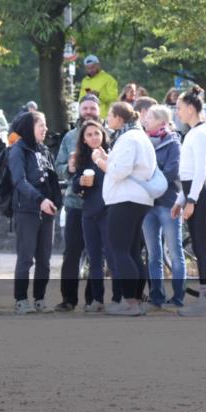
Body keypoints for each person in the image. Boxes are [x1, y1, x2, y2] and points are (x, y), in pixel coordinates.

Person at [95, 101, 155, 316]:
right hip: (138, 199)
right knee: (131, 252)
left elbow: (120, 171)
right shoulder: (140, 136)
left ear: (119, 118)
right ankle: (136, 300)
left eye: (110, 114)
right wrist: (108, 158)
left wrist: (100, 162)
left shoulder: (128, 138)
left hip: (125, 199)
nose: (107, 118)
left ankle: (130, 302)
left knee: (120, 250)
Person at [9, 110, 61, 314]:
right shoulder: (18, 150)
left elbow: (51, 178)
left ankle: (40, 298)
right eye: (41, 125)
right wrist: (40, 199)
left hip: (47, 211)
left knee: (44, 260)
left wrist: (56, 200)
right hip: (27, 211)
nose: (45, 128)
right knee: (25, 257)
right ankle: (21, 299)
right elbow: (18, 181)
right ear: (30, 127)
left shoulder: (44, 150)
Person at [54, 95, 102, 312]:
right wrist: (70, 168)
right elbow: (59, 166)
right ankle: (68, 299)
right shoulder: (70, 137)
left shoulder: (106, 137)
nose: (89, 111)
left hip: (100, 206)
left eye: (92, 108)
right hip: (75, 204)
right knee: (72, 253)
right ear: (79, 111)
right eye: (85, 108)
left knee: (96, 254)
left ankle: (94, 299)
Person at [172, 86, 206, 317]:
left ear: (191, 108)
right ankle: (204, 300)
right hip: (192, 192)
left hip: (198, 193)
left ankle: (205, 302)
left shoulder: (200, 133)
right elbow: (188, 172)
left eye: (179, 108)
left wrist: (190, 200)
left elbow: (200, 171)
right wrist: (181, 199)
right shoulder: (193, 132)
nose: (177, 112)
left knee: (201, 247)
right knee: (199, 247)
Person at [140, 105, 185, 310]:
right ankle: (156, 296)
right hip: (148, 204)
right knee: (153, 254)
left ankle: (178, 297)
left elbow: (171, 171)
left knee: (175, 252)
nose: (145, 119)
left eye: (149, 117)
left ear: (160, 121)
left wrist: (149, 184)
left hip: (168, 204)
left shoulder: (174, 143)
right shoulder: (141, 141)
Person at [72, 119, 113, 311]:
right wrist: (80, 182)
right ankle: (97, 300)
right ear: (84, 140)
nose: (94, 137)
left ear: (103, 135)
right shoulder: (81, 159)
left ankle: (120, 298)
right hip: (88, 214)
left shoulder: (111, 155)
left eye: (97, 133)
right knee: (94, 259)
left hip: (108, 213)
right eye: (89, 135)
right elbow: (75, 187)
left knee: (113, 257)